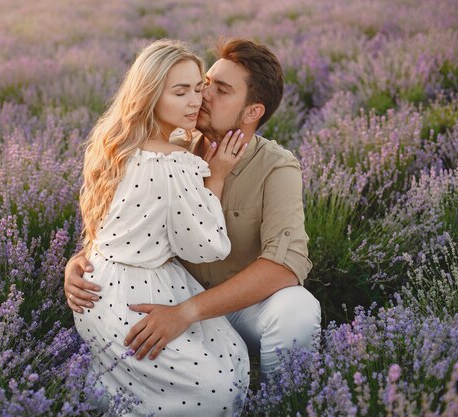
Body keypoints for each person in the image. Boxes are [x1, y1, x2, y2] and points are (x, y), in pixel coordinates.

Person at [66, 38, 321, 379]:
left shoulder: (277, 167)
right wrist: (85, 258)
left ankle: (282, 401)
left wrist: (187, 312)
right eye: (206, 85)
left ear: (252, 112)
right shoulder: (172, 146)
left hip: (231, 307)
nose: (203, 96)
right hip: (165, 293)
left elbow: (284, 267)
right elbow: (126, 216)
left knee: (298, 309)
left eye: (222, 90)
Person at [74, 39, 250, 416]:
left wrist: (76, 259)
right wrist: (215, 178)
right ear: (151, 95)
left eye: (198, 89)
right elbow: (206, 248)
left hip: (98, 292)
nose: (196, 102)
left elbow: (106, 224)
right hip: (135, 298)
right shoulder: (174, 163)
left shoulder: (114, 143)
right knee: (222, 383)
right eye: (180, 91)